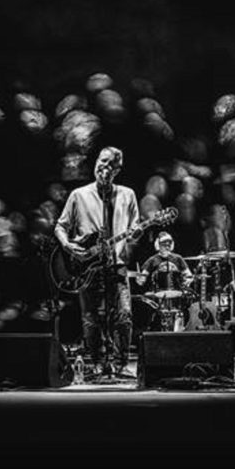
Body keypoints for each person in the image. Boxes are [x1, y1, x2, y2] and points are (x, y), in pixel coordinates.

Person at [54, 146, 140, 374]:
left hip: (117, 264)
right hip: (86, 266)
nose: (104, 167)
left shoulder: (127, 195)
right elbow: (61, 227)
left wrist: (136, 233)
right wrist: (68, 246)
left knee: (124, 315)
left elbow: (134, 227)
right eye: (102, 161)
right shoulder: (79, 195)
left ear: (117, 169)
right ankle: (99, 364)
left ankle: (120, 364)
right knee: (91, 319)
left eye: (110, 164)